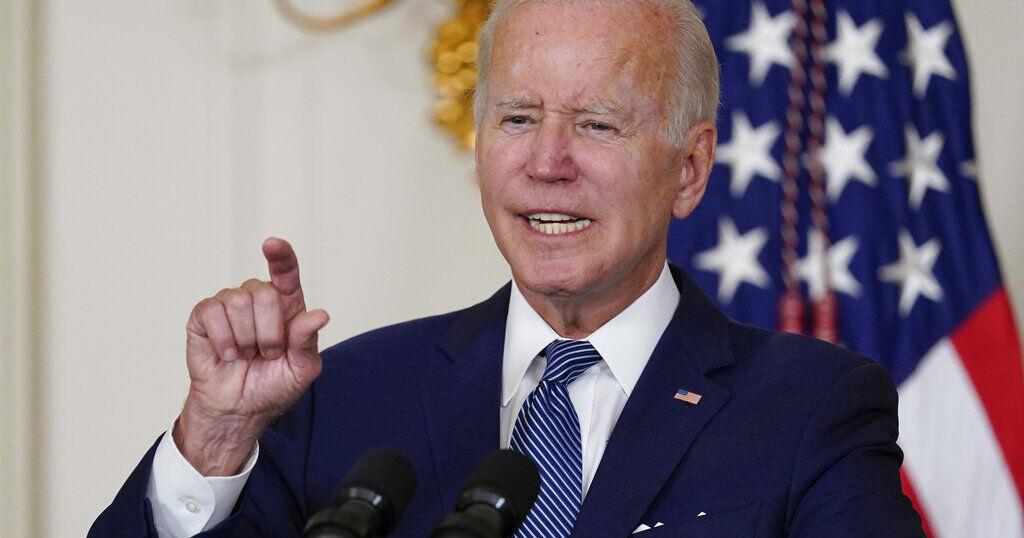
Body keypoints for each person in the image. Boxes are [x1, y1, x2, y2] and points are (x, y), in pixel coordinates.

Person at [91, 0, 925, 536]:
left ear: (689, 168)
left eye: (597, 125)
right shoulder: (342, 397)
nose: (547, 163)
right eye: (518, 118)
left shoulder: (809, 407)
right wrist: (216, 437)